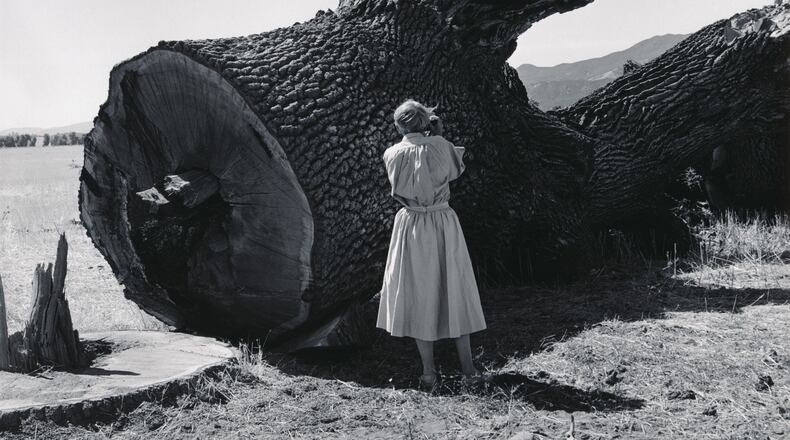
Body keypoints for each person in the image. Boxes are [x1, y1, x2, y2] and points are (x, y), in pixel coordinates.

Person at [376, 99, 487, 389]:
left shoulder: (392, 153)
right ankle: (469, 371)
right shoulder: (440, 146)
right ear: (426, 122)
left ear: (398, 125)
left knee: (419, 292)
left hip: (411, 224)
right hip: (441, 220)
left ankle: (428, 373)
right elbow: (455, 168)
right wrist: (436, 133)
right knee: (455, 289)